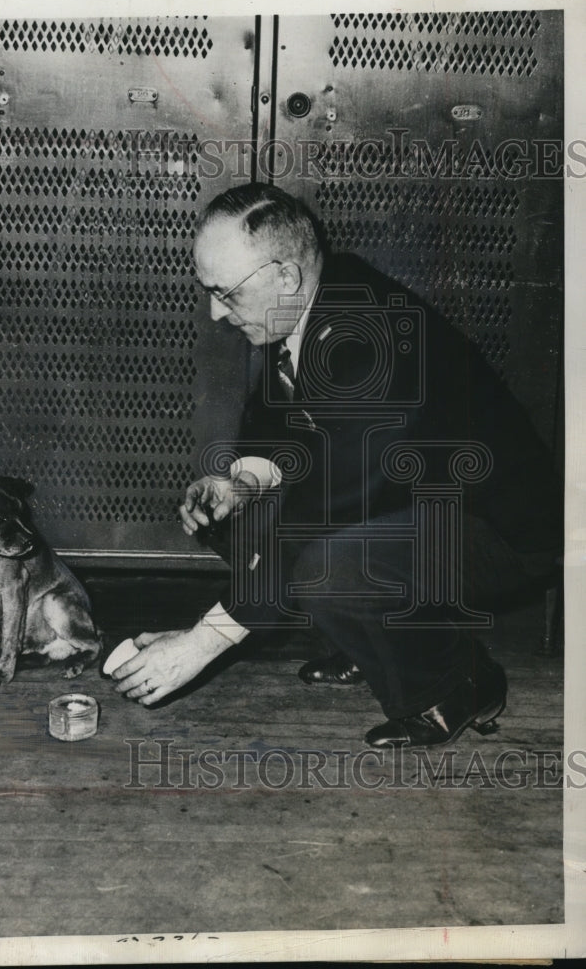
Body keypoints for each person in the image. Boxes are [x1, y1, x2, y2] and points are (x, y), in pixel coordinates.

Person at [112, 183, 562, 747]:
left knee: (331, 566)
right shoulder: (309, 291)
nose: (215, 312)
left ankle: (459, 682)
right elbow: (280, 420)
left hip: (498, 529)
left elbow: (319, 513)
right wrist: (243, 482)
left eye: (225, 294)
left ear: (286, 277)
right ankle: (368, 644)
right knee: (241, 520)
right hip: (403, 496)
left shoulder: (366, 346)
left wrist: (203, 641)